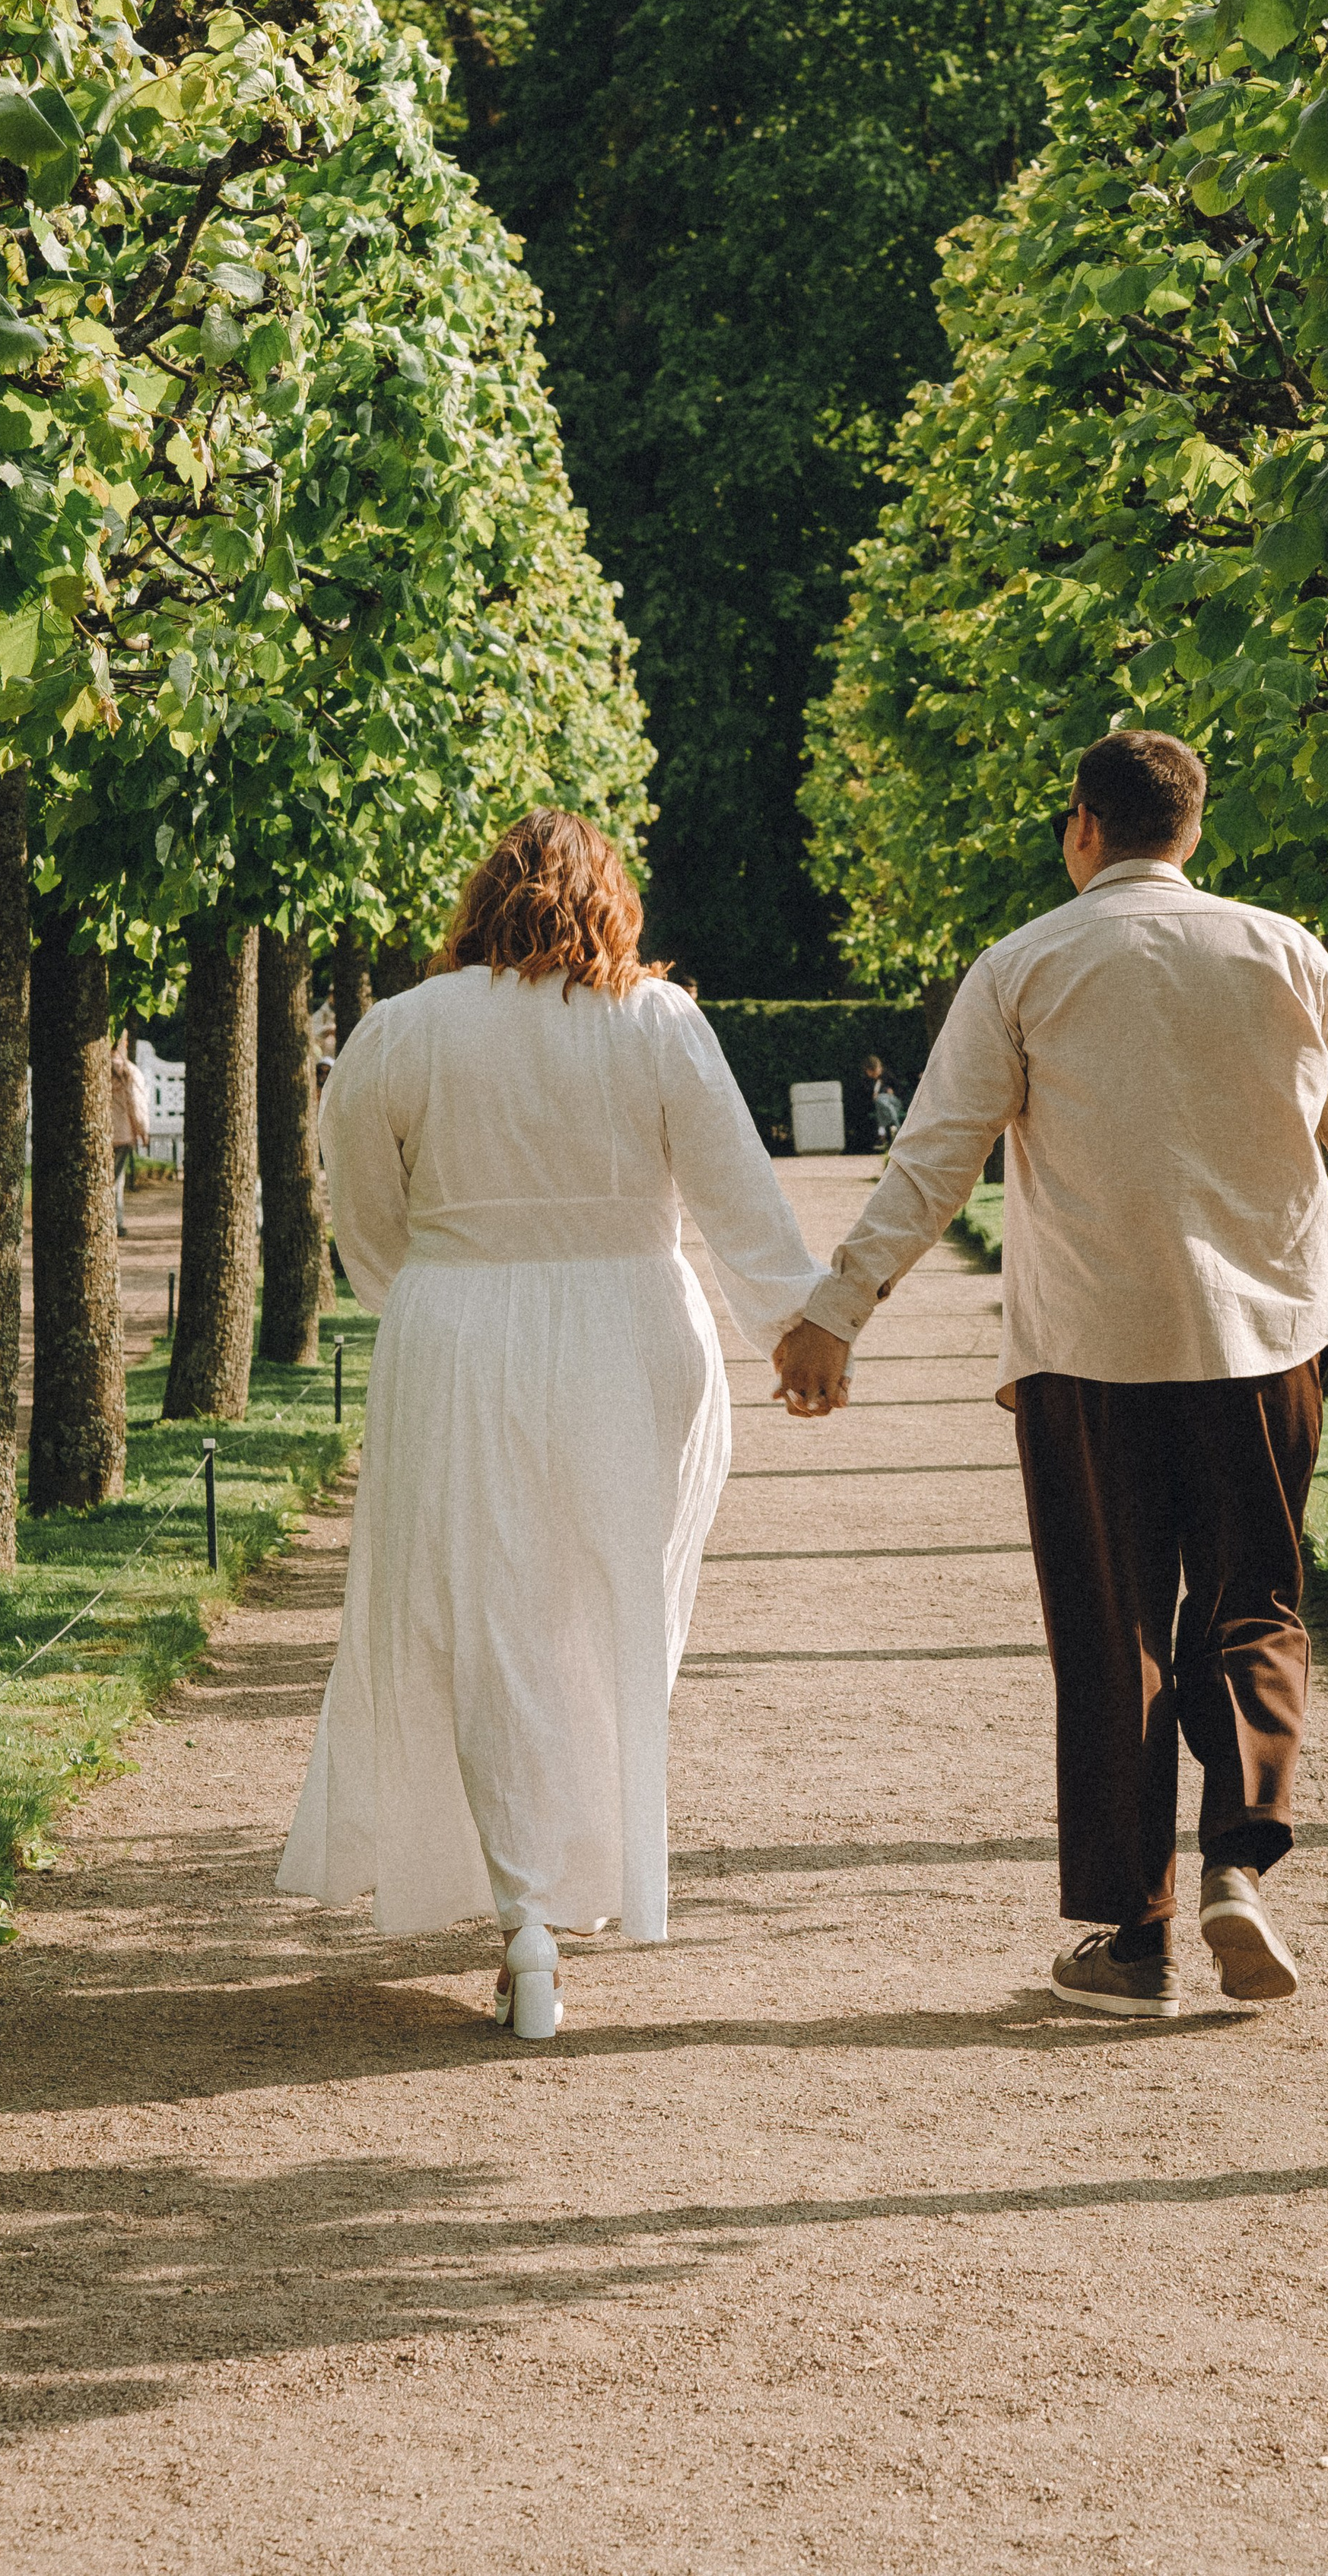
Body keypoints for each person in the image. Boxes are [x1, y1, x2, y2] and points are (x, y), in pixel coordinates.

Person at [773, 731, 1328, 2016]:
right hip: (1261, 1348)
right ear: (1192, 831)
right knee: (1256, 1605)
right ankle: (1241, 1863)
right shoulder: (1287, 954)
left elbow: (936, 1159)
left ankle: (1130, 1942)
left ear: (1083, 825)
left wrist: (836, 1308)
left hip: (1090, 1356)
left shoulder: (1024, 964)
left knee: (1114, 1636)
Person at [276, 810, 826, 2038]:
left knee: (484, 1620)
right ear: (614, 904)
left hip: (460, 1336)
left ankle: (527, 1907)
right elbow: (741, 1199)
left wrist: (431, 1299)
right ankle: (563, 1881)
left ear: (478, 901)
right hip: (635, 1329)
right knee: (613, 1608)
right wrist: (795, 1331)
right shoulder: (658, 1021)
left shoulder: (402, 1028)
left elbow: (365, 1218)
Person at [110, 1034, 151, 1236]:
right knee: (117, 1179)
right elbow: (138, 1104)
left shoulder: (94, 1070)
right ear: (123, 1043)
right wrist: (143, 1131)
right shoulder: (130, 1071)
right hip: (122, 1134)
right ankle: (116, 1221)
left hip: (103, 1134)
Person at [859, 1053, 904, 1150]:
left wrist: (889, 1091)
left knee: (880, 1099)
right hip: (884, 1109)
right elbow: (866, 1097)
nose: (876, 1074)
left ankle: (882, 1138)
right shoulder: (867, 1081)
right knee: (879, 1103)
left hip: (894, 1103)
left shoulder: (888, 1075)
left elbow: (899, 1090)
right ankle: (898, 1129)